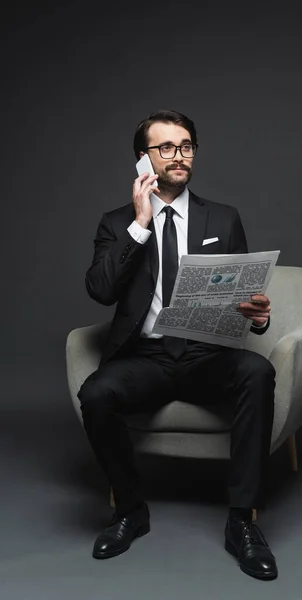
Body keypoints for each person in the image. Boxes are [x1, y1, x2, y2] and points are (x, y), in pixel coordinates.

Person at [78, 109, 278, 580]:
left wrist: (259, 314)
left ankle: (241, 522)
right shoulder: (116, 224)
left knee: (257, 371)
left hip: (205, 355)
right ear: (142, 161)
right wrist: (141, 223)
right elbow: (100, 290)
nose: (179, 155)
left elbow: (240, 296)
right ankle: (130, 510)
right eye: (165, 147)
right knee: (94, 394)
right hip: (145, 359)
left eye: (185, 145)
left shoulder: (223, 218)